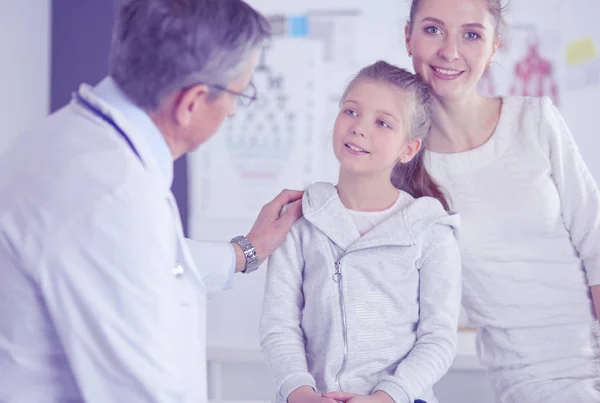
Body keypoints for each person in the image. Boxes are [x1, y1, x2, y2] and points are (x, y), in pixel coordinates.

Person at [0, 0, 303, 402]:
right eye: (238, 94)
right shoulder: (108, 195)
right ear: (192, 103)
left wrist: (245, 252)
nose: (233, 110)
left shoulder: (71, 142)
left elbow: (148, 259)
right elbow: (144, 392)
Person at [404, 0, 600, 401]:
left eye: (472, 35)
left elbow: (596, 244)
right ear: (407, 36)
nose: (450, 51)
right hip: (530, 387)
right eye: (433, 29)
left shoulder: (535, 120)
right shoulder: (406, 171)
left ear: (495, 47)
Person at [259, 61, 462, 403]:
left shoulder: (430, 229)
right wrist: (301, 392)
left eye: (382, 122)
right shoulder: (301, 218)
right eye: (351, 111)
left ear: (408, 149)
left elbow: (438, 339)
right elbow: (279, 325)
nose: (359, 128)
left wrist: (387, 397)